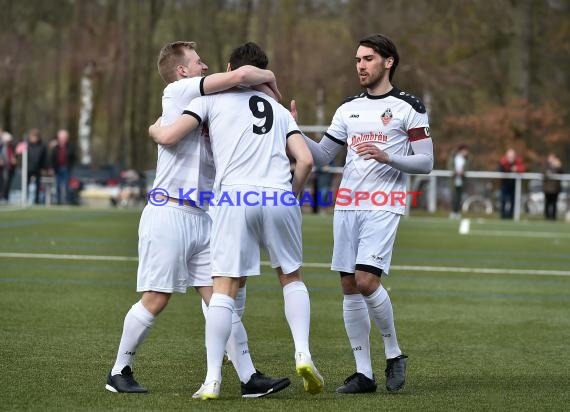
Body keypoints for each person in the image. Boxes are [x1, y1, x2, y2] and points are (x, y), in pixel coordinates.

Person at [106, 41, 289, 398]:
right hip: (169, 211)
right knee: (157, 298)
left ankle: (249, 377)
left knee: (220, 299)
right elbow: (241, 74)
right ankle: (119, 369)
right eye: (197, 62)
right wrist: (271, 78)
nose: (204, 66)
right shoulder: (177, 92)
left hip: (203, 217)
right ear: (182, 71)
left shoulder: (208, 105)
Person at [149, 42, 322, 400]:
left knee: (223, 289)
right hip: (277, 194)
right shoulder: (278, 109)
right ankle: (303, 352)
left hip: (233, 197)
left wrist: (155, 130)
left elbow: (171, 136)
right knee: (291, 277)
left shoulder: (208, 99)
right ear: (263, 70)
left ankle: (213, 378)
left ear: (229, 68)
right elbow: (305, 160)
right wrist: (291, 196)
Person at [295, 33, 434, 394]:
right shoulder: (348, 108)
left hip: (383, 203)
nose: (360, 65)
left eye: (368, 59)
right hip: (347, 204)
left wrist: (389, 156)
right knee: (348, 285)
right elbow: (324, 155)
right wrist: (290, 129)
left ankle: (393, 354)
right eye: (358, 59)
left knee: (366, 280)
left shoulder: (408, 106)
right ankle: (364, 374)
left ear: (388, 62)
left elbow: (426, 161)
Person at [50, 129, 76, 205]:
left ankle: (67, 201)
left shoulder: (70, 146)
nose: (62, 139)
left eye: (64, 137)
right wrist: (52, 168)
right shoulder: (55, 147)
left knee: (67, 185)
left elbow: (72, 156)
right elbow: (52, 158)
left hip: (66, 168)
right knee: (57, 185)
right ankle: (58, 201)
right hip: (57, 168)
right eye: (61, 137)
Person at [498, 148, 525, 219]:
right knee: (503, 200)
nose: (511, 157)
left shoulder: (517, 161)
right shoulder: (503, 161)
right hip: (505, 184)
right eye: (509, 155)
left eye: (512, 156)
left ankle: (511, 215)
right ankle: (503, 216)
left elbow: (522, 169)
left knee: (513, 201)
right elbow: (500, 169)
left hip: (514, 185)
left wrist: (516, 169)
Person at [26, 129, 48, 205]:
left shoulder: (42, 145)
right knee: (26, 184)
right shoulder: (26, 144)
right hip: (28, 168)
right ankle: (25, 198)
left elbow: (44, 158)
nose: (34, 138)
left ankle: (37, 200)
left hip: (38, 168)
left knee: (38, 185)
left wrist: (44, 168)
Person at [449, 144, 469, 219]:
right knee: (454, 197)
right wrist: (456, 172)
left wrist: (463, 172)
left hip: (462, 181)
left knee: (459, 197)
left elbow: (467, 168)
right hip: (454, 180)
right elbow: (450, 167)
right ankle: (453, 212)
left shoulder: (467, 159)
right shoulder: (453, 158)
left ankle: (457, 212)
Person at [543, 153, 563, 220]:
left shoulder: (558, 166)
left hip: (555, 188)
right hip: (547, 188)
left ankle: (553, 217)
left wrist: (558, 167)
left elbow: (561, 172)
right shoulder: (545, 165)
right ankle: (547, 217)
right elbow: (542, 172)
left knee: (554, 203)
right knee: (547, 203)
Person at [0, 130, 17, 203]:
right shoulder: (1, 146)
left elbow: (14, 155)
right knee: (4, 182)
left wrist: (14, 159)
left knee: (8, 182)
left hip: (10, 167)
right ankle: (2, 196)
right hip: (3, 168)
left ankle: (6, 197)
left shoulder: (12, 147)